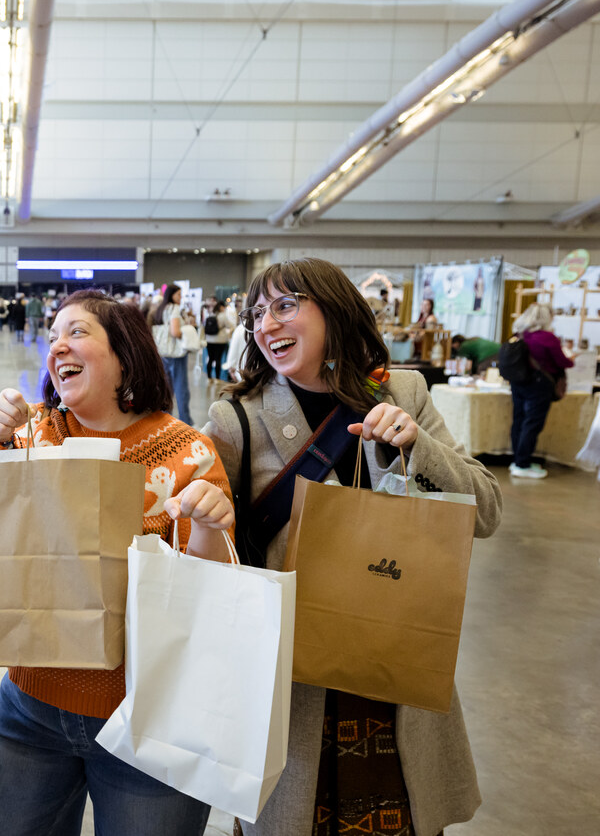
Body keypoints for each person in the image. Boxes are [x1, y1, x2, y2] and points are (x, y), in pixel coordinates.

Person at [203, 257, 502, 836]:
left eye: (286, 305)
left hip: (394, 671)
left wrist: (418, 450)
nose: (267, 324)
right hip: (293, 683)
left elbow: (485, 512)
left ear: (333, 309)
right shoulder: (236, 417)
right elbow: (210, 552)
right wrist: (205, 518)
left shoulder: (403, 391)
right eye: (257, 313)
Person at [0, 289, 233, 836]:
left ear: (125, 355)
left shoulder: (188, 452)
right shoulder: (32, 433)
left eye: (78, 332)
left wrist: (208, 524)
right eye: (54, 333)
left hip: (151, 716)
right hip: (29, 705)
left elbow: (209, 592)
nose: (58, 344)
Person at [507, 303, 573, 479]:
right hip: (538, 384)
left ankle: (518, 461)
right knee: (533, 423)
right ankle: (523, 463)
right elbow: (563, 362)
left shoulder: (520, 334)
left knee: (519, 421)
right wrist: (571, 359)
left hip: (518, 382)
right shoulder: (547, 338)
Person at [148, 284, 191, 424]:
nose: (180, 297)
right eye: (178, 294)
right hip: (176, 354)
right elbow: (175, 332)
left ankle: (165, 418)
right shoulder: (174, 309)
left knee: (167, 388)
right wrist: (185, 331)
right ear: (171, 295)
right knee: (181, 388)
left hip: (163, 353)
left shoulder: (160, 309)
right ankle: (186, 420)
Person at [204, 300, 230, 381]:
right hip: (220, 341)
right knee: (218, 359)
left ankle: (209, 377)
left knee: (210, 358)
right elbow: (230, 326)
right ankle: (217, 378)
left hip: (209, 340)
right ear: (221, 307)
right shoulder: (223, 316)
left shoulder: (211, 314)